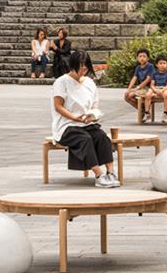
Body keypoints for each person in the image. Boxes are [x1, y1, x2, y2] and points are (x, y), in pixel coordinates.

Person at [51, 50, 119, 188]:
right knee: (85, 139)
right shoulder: (61, 82)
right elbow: (58, 106)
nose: (84, 69)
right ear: (73, 65)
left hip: (86, 122)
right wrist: (75, 118)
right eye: (81, 66)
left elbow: (95, 104)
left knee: (102, 137)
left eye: (86, 66)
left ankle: (110, 172)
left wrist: (92, 115)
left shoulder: (89, 82)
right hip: (67, 125)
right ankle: (99, 175)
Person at [124, 48, 155, 119]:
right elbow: (134, 78)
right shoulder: (138, 68)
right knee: (126, 96)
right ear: (137, 58)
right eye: (140, 56)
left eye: (144, 56)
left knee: (131, 94)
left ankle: (142, 109)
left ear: (148, 58)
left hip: (149, 88)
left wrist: (136, 88)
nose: (142, 58)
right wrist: (128, 89)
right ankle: (142, 109)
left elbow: (148, 79)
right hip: (142, 88)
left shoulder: (150, 66)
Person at [147, 55, 167, 122]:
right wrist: (155, 90)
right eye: (160, 63)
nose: (162, 65)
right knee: (148, 94)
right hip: (156, 88)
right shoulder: (154, 73)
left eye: (164, 63)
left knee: (166, 95)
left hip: (165, 88)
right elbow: (152, 85)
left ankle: (165, 114)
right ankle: (147, 113)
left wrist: (162, 90)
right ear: (157, 65)